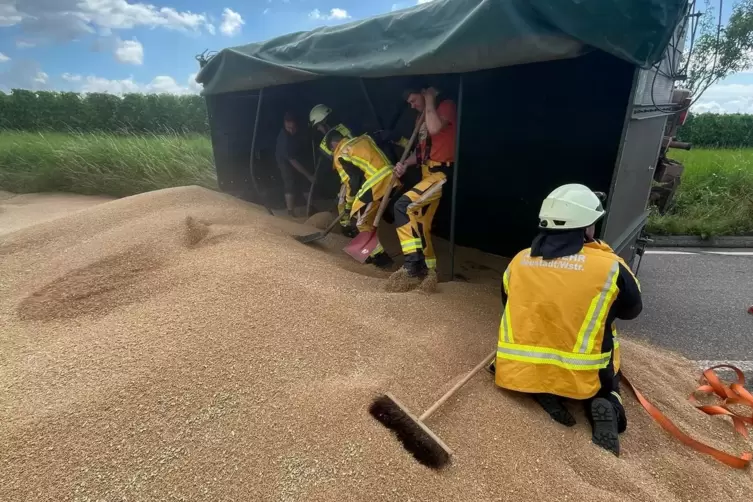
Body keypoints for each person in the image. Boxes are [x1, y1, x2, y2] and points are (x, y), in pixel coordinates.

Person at [489, 184, 643, 456]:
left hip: (519, 367)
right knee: (608, 338)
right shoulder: (610, 266)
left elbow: (508, 304)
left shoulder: (519, 260)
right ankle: (609, 402)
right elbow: (632, 310)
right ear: (586, 229)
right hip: (584, 372)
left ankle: (541, 389)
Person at [392, 83, 457, 279]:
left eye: (413, 100)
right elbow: (420, 153)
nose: (411, 105)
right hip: (425, 172)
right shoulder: (420, 119)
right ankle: (429, 271)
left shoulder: (445, 106)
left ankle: (413, 264)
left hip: (440, 174)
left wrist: (429, 100)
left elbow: (435, 128)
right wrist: (405, 164)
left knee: (403, 205)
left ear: (423, 93)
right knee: (421, 224)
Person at [326, 129, 398, 269]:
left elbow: (353, 181)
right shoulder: (363, 138)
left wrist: (349, 203)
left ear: (334, 145)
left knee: (361, 223)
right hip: (392, 177)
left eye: (331, 149)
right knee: (369, 219)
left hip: (376, 184)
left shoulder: (343, 154)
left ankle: (381, 259)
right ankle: (372, 253)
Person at [276, 112, 314, 217]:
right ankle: (290, 211)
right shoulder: (284, 138)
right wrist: (309, 175)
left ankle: (310, 206)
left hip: (299, 154)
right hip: (284, 159)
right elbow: (292, 160)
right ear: (284, 124)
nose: (291, 130)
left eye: (293, 128)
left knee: (305, 182)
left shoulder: (302, 130)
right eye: (288, 128)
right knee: (290, 181)